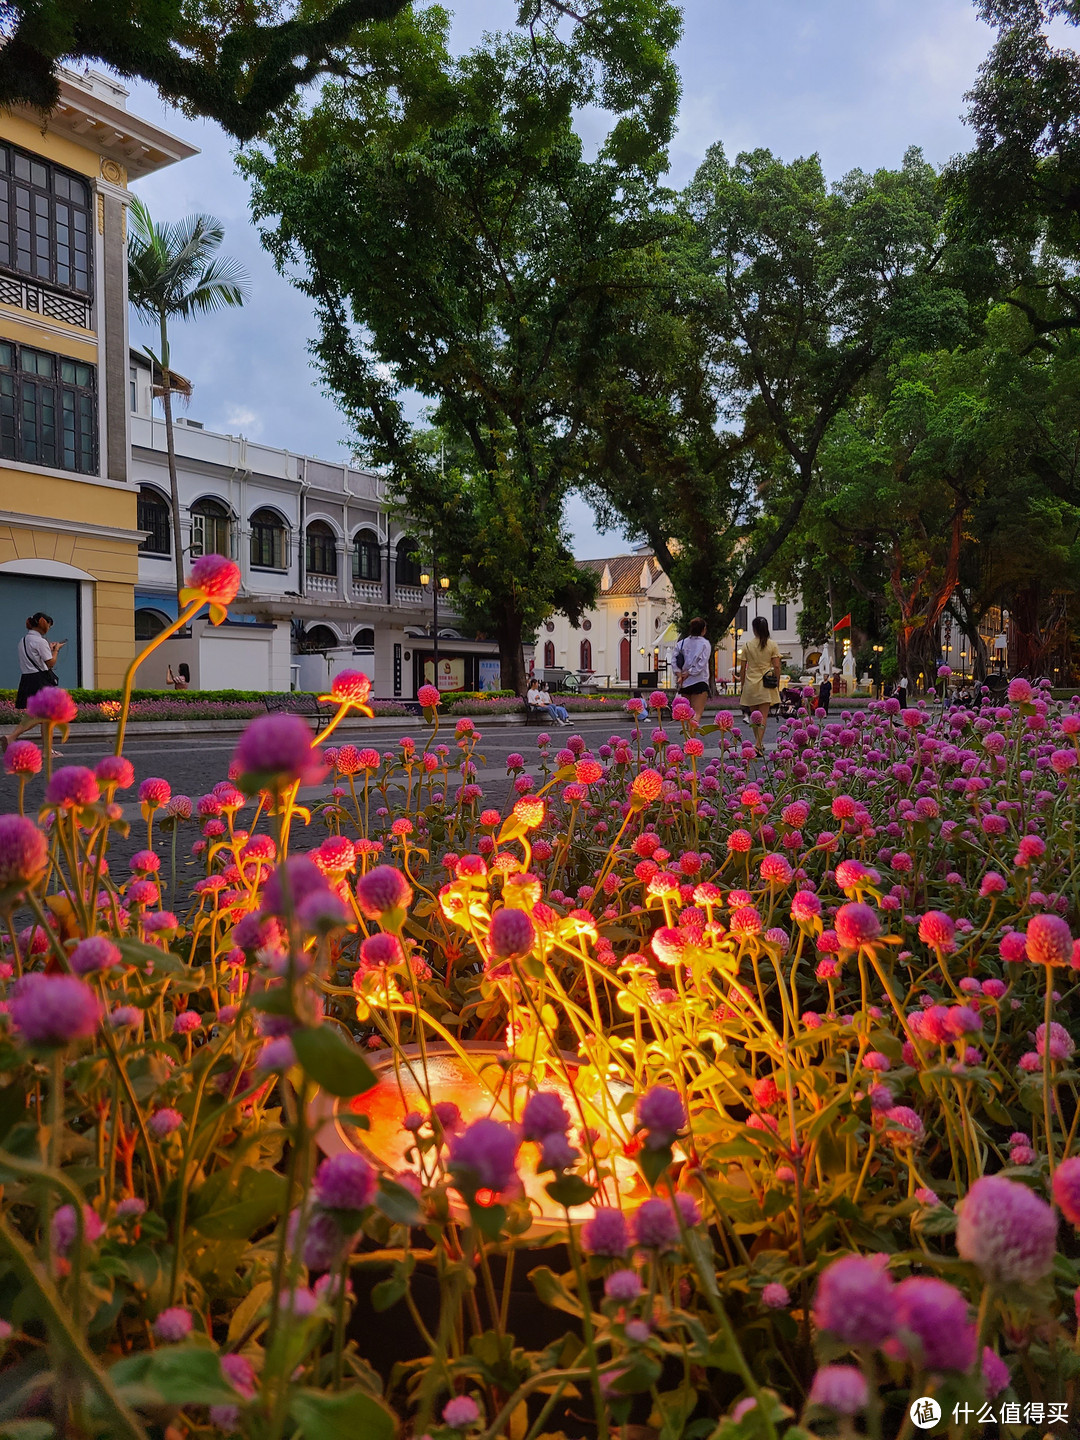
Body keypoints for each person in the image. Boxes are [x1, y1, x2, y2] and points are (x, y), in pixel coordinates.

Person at [3, 613, 65, 754]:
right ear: (43, 623)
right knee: (44, 716)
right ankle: (12, 737)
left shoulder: (23, 641)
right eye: (49, 624)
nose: (49, 628)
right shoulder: (40, 641)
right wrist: (56, 650)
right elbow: (50, 663)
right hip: (40, 681)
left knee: (40, 716)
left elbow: (35, 659)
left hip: (27, 680)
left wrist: (48, 649)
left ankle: (47, 750)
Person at [738, 615, 782, 756]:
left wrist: (742, 684)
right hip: (766, 684)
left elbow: (743, 668)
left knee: (754, 716)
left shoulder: (747, 645)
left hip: (751, 683)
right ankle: (758, 744)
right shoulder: (772, 645)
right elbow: (776, 666)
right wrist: (778, 682)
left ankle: (758, 743)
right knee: (763, 716)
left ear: (754, 629)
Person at [672, 617, 712, 722]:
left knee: (687, 715)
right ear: (703, 629)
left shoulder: (681, 643)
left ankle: (688, 737)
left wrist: (680, 674)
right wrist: (690, 673)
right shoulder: (705, 644)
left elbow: (674, 660)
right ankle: (693, 738)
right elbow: (701, 664)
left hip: (685, 683)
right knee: (696, 714)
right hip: (699, 680)